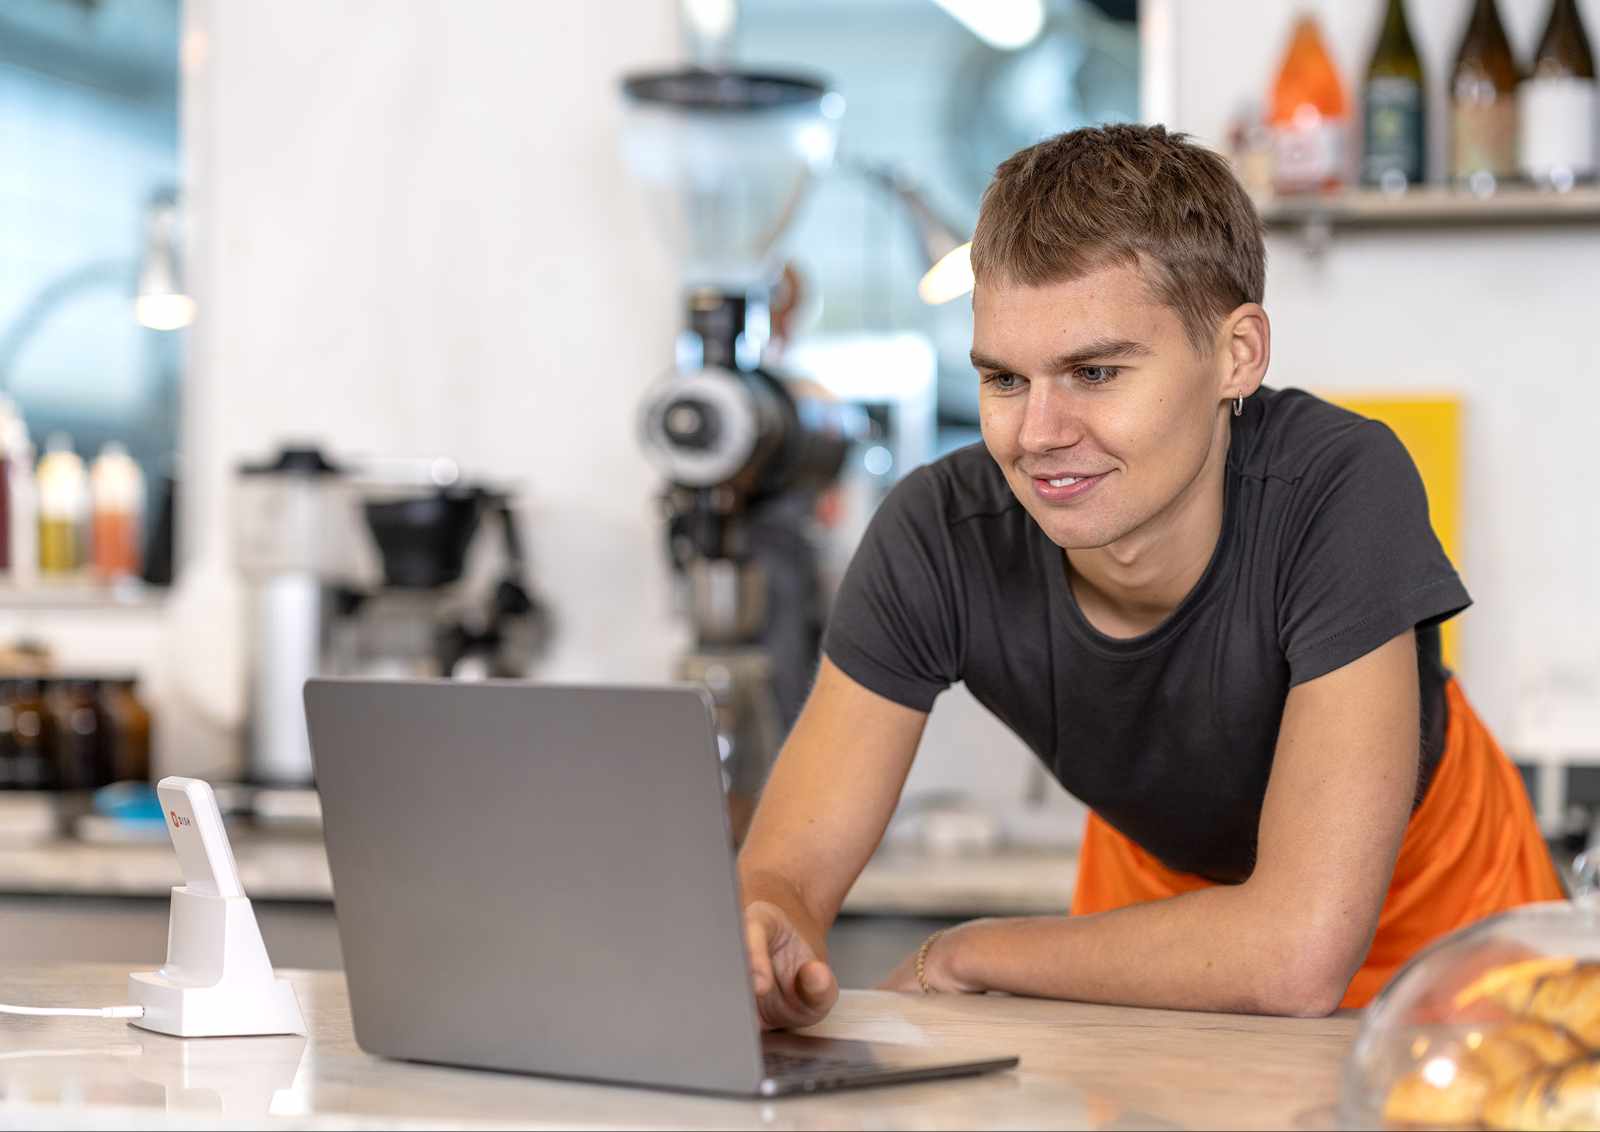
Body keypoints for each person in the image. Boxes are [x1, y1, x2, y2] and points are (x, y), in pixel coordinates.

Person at [736, 124, 1561, 1027]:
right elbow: (786, 876)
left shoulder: (1340, 486)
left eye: (1094, 372)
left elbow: (1297, 955)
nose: (1038, 434)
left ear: (1238, 355)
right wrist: (766, 929)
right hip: (1156, 918)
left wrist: (965, 955)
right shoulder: (939, 533)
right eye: (1004, 380)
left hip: (1442, 908)